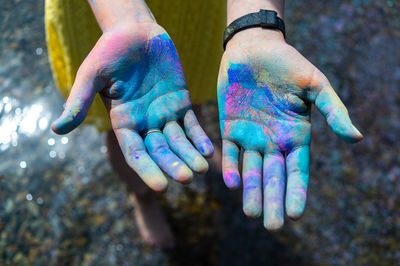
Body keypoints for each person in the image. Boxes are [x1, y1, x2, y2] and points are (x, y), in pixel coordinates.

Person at [46, 0, 363, 247]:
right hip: (106, 12)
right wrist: (124, 18)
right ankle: (142, 196)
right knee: (128, 117)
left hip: (201, 8)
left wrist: (254, 27)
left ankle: (195, 136)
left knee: (181, 92)